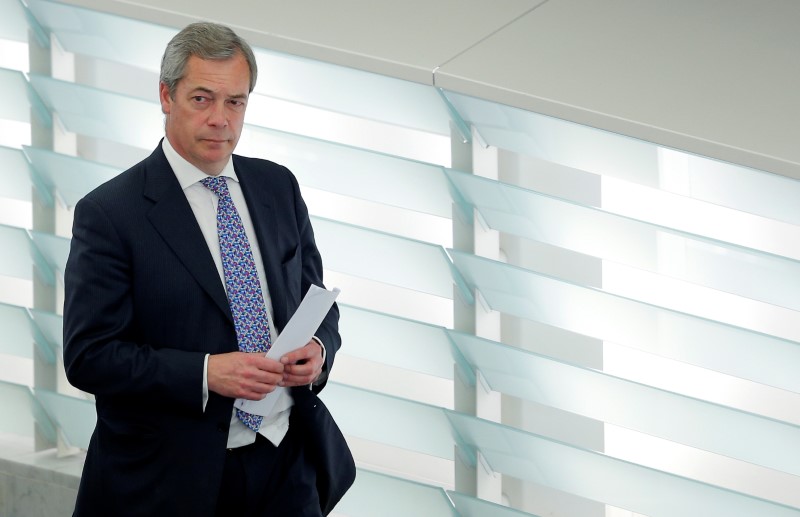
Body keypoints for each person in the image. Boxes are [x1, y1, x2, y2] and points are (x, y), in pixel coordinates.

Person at [63, 21, 354, 517]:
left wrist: (318, 348)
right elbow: (90, 356)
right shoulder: (110, 215)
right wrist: (205, 373)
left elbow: (314, 297)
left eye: (235, 102)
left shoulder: (278, 187)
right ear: (165, 96)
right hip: (170, 480)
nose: (221, 119)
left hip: (287, 466)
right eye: (202, 99)